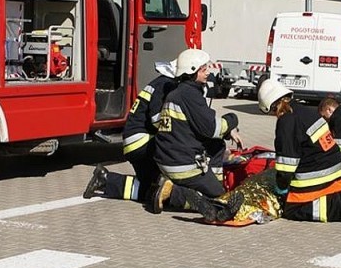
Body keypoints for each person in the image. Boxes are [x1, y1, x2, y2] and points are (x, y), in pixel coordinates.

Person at [152, 48, 244, 221]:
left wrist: (226, 132)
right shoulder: (190, 95)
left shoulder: (179, 93)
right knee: (221, 197)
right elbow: (212, 128)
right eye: (203, 69)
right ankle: (174, 193)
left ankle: (195, 191)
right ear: (192, 72)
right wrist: (233, 119)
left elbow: (202, 126)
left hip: (167, 160)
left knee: (217, 145)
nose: (208, 72)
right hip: (183, 166)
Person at [257, 79, 341, 223]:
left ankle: (338, 206)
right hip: (335, 170)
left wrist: (281, 188)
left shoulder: (287, 122)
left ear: (271, 107)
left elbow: (286, 167)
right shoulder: (305, 111)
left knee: (291, 209)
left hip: (318, 174)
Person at [82, 60, 177, 202]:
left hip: (136, 142)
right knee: (160, 190)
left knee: (152, 188)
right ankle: (105, 180)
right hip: (142, 142)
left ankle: (106, 180)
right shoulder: (164, 85)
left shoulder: (160, 82)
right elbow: (157, 119)